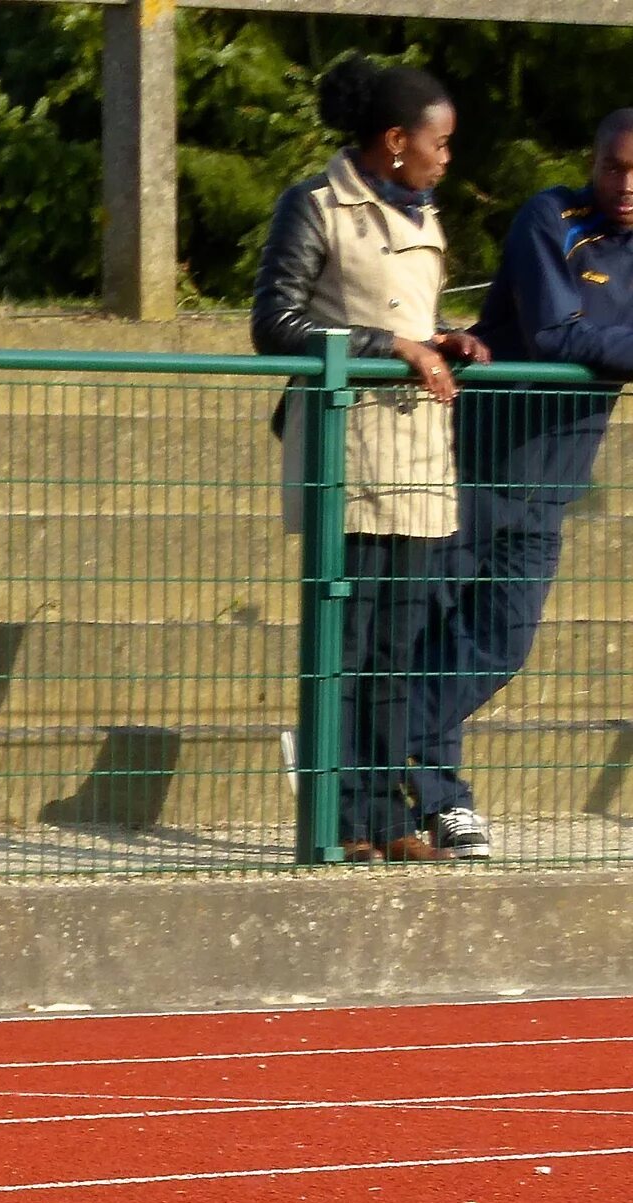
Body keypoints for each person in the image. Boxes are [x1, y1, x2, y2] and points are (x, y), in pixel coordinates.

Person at [253, 58, 489, 864]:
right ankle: (339, 819)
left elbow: (408, 311)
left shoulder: (425, 213)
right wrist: (385, 346)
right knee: (344, 648)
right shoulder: (316, 205)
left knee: (400, 649)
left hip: (418, 458)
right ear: (396, 141)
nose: (446, 156)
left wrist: (444, 337)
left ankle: (391, 819)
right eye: (440, 142)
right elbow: (275, 325)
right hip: (346, 464)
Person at [406, 109, 633, 853]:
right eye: (613, 167)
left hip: (554, 482)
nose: (624, 185)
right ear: (592, 161)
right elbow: (556, 334)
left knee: (500, 644)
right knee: (432, 625)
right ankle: (440, 800)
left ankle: (363, 741)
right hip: (477, 461)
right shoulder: (551, 218)